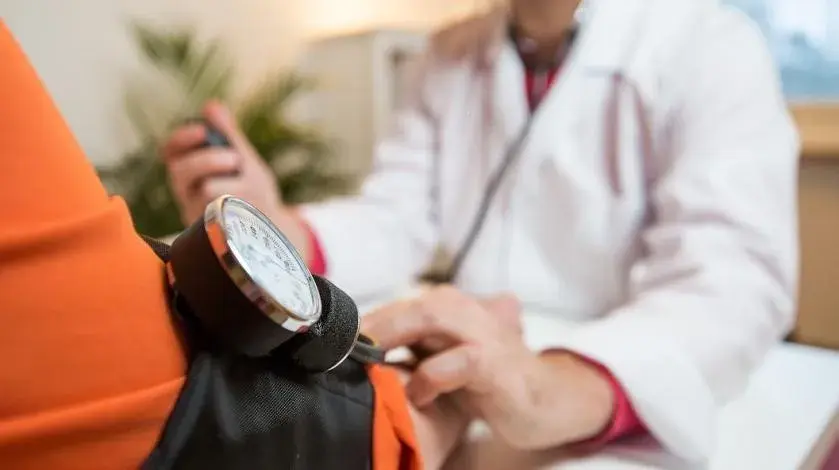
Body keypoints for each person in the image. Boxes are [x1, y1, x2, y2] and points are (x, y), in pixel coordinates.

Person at [162, 0, 800, 462]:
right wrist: (278, 236)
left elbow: (734, 280)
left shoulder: (709, 43)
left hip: (632, 375)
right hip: (467, 359)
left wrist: (560, 385)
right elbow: (400, 215)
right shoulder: (449, 53)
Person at [0, 20, 472, 470]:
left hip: (497, 339)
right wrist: (441, 408)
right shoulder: (451, 52)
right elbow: (399, 217)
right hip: (451, 343)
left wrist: (543, 382)